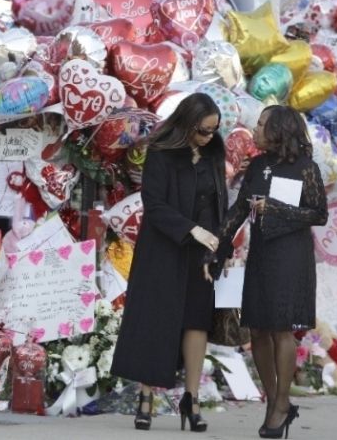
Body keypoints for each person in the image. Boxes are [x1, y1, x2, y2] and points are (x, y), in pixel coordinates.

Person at [205, 105, 328, 439]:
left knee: (281, 330)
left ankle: (283, 402)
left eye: (261, 124)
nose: (255, 129)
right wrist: (218, 244)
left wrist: (275, 207)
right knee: (257, 329)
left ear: (279, 130)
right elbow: (239, 210)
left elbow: (319, 214)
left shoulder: (306, 169)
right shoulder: (258, 165)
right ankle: (274, 401)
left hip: (291, 258)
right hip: (261, 255)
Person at [110, 93, 227, 432]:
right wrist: (192, 230)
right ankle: (145, 396)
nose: (209, 137)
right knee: (155, 319)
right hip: (163, 248)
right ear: (188, 123)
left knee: (196, 321)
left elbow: (219, 200)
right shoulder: (161, 151)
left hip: (201, 252)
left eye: (214, 130)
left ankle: (191, 401)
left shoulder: (213, 153)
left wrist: (220, 245)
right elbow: (154, 204)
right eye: (204, 130)